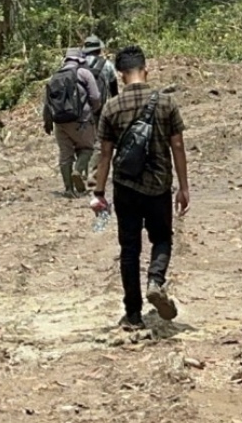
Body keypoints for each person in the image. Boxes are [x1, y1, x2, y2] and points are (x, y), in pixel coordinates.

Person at [93, 45, 190, 330]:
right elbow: (178, 146)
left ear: (121, 75)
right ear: (145, 70)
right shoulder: (166, 103)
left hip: (126, 188)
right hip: (159, 187)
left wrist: (98, 193)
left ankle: (133, 314)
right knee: (162, 238)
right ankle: (155, 280)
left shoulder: (111, 107)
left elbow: (105, 155)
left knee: (129, 250)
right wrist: (184, 187)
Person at [43, 48, 101, 197]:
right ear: (80, 59)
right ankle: (78, 171)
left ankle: (68, 189)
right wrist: (93, 112)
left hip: (60, 123)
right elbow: (95, 96)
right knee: (88, 148)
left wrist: (48, 122)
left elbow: (47, 103)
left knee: (65, 154)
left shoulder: (55, 76)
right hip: (82, 120)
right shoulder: (84, 73)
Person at [82, 34, 119, 181]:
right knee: (99, 139)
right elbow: (114, 88)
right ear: (99, 50)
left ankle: (80, 169)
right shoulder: (107, 65)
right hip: (100, 107)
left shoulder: (78, 64)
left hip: (80, 109)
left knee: (83, 140)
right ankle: (93, 171)